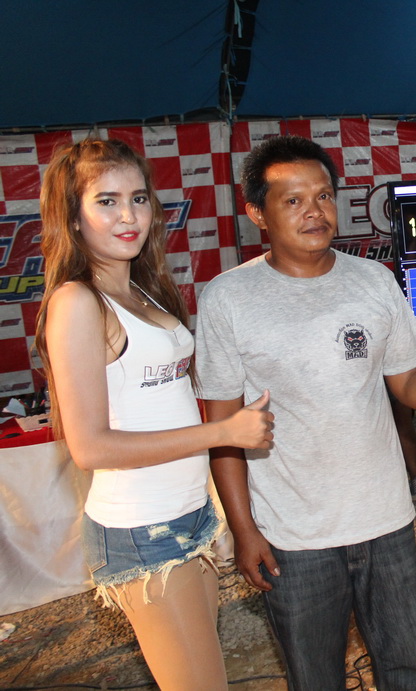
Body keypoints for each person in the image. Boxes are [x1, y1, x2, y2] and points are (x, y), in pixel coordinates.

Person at [194, 135, 416, 691]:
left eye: (323, 196)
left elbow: (407, 380)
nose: (314, 211)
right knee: (316, 679)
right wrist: (244, 531)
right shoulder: (228, 299)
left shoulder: (373, 281)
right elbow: (221, 432)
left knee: (409, 672)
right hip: (293, 535)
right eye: (293, 200)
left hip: (386, 521)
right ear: (257, 213)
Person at [33, 139, 274, 690]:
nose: (129, 216)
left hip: (189, 515)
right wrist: (220, 432)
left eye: (138, 198)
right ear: (72, 216)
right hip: (142, 529)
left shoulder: (142, 288)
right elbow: (90, 447)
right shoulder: (77, 302)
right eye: (107, 201)